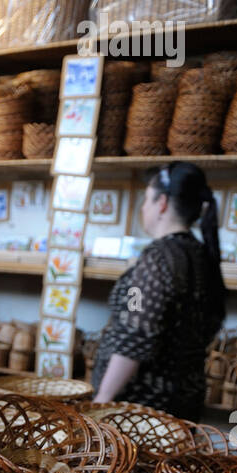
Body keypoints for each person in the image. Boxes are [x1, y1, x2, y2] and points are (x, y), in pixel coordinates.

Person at [92, 161, 226, 421]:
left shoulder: (157, 259)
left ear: (162, 203)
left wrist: (103, 398)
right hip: (185, 402)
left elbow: (134, 337)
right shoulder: (200, 255)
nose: (143, 207)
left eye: (146, 200)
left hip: (143, 410)